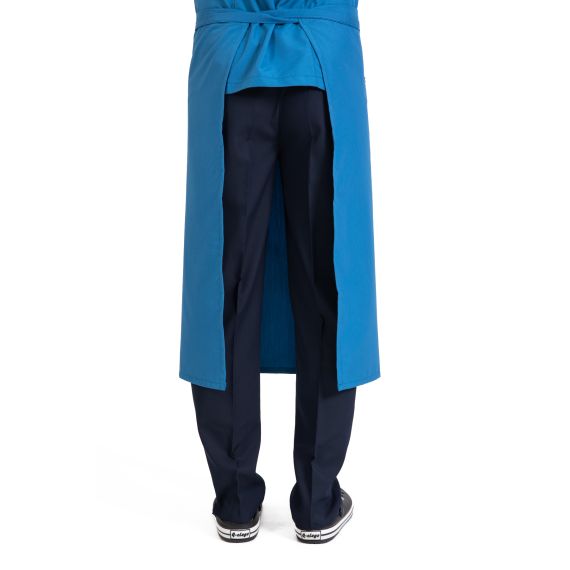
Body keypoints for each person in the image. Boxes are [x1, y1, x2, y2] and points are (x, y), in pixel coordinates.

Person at [180, 0, 381, 544]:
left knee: (226, 278)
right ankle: (318, 499)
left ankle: (235, 501)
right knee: (327, 277)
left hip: (228, 59)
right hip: (322, 56)